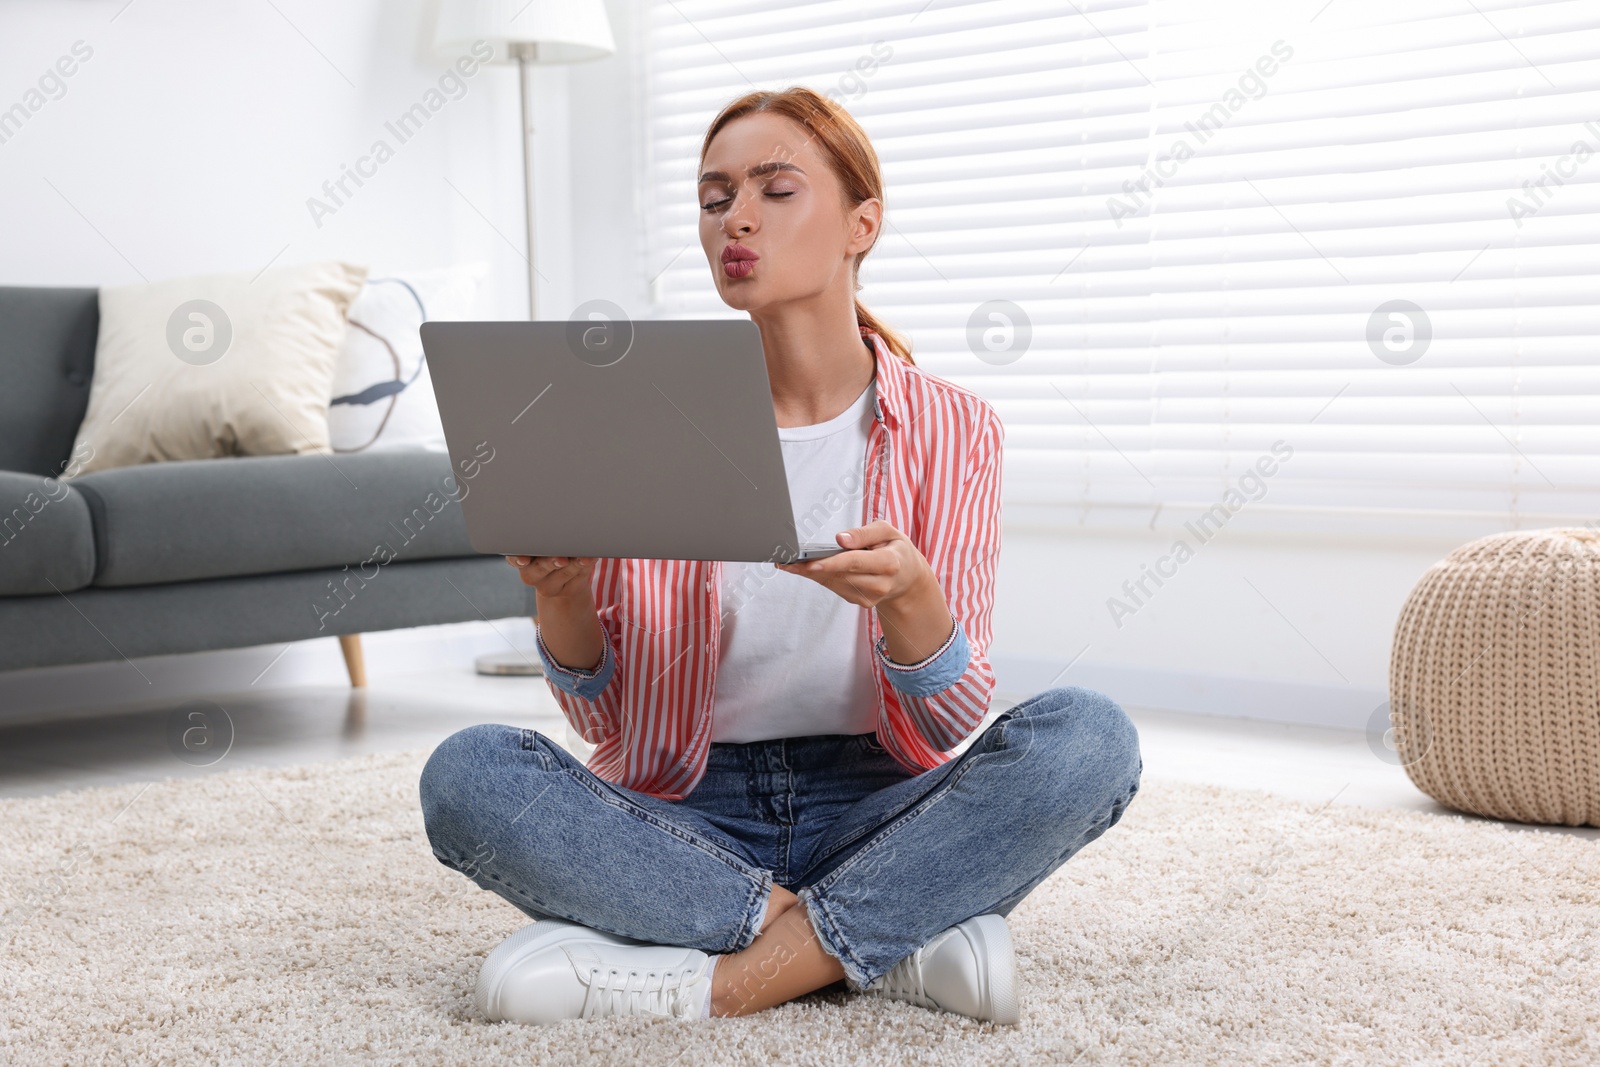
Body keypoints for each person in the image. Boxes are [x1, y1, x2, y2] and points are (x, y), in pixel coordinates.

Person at [418, 86, 1142, 1027]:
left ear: (862, 224)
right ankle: (895, 932)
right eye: (715, 198)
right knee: (466, 774)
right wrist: (565, 601)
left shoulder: (954, 429)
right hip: (685, 806)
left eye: (776, 189)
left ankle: (715, 976)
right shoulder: (647, 419)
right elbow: (598, 715)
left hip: (875, 799)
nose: (738, 219)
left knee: (1091, 738)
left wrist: (910, 596)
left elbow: (954, 716)